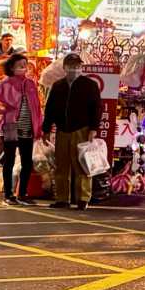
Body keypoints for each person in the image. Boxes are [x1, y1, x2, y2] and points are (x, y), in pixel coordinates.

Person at [0, 53, 43, 205]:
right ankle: (8, 194)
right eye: (20, 65)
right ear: (12, 67)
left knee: (27, 162)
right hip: (10, 126)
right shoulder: (5, 84)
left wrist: (38, 126)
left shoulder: (31, 84)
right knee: (10, 161)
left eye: (25, 64)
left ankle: (22, 194)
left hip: (28, 127)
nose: (24, 67)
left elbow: (37, 107)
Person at [41, 53, 102, 210]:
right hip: (62, 130)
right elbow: (50, 109)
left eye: (77, 66)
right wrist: (46, 129)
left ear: (81, 67)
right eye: (71, 66)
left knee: (81, 165)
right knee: (61, 166)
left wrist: (93, 128)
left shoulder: (89, 85)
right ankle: (62, 198)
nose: (74, 69)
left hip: (82, 130)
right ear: (64, 67)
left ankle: (83, 198)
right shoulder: (58, 86)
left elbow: (96, 108)